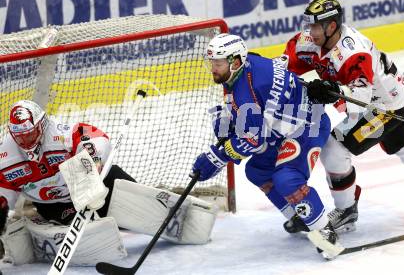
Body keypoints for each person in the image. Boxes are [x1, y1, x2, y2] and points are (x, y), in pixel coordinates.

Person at [283, 0, 404, 233]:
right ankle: (346, 207)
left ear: (332, 27)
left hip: (384, 106)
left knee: (334, 148)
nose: (310, 31)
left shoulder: (353, 52)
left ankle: (346, 210)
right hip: (385, 97)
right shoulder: (308, 41)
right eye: (309, 25)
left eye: (315, 26)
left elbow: (360, 99)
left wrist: (330, 91)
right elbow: (284, 68)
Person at [0, 100, 217, 266]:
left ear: (42, 125)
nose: (25, 141)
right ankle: (63, 224)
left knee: (123, 198)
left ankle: (183, 218)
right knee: (95, 225)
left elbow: (96, 137)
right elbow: (3, 199)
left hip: (97, 186)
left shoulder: (60, 135)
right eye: (20, 136)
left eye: (30, 133)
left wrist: (91, 165)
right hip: (57, 205)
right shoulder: (6, 157)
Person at [191, 33, 338, 257]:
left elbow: (253, 139)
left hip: (308, 124)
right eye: (211, 62)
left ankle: (326, 232)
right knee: (258, 170)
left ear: (235, 62)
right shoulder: (246, 66)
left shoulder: (245, 90)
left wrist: (216, 158)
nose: (213, 68)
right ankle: (300, 216)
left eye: (218, 63)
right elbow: (255, 117)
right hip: (283, 127)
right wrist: (232, 122)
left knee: (287, 178)